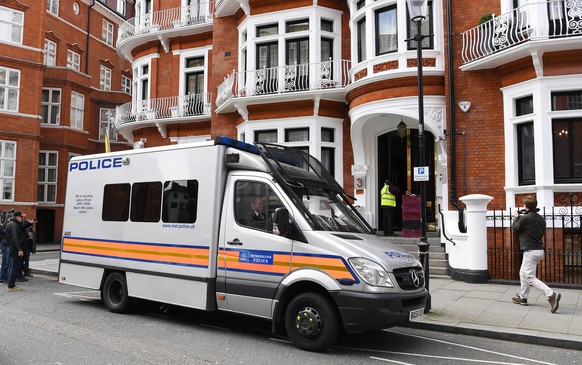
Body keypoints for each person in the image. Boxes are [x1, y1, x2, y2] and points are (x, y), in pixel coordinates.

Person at [511, 196, 561, 313]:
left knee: (530, 277)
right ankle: (523, 298)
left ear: (525, 206)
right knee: (523, 273)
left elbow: (515, 229)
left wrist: (516, 217)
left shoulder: (525, 218)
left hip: (530, 251)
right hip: (538, 250)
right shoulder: (540, 218)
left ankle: (551, 295)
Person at [4, 211, 27, 292]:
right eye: (21, 217)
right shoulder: (14, 225)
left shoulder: (10, 224)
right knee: (15, 267)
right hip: (15, 248)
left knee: (12, 266)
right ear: (17, 217)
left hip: (11, 247)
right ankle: (11, 286)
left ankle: (11, 284)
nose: (22, 218)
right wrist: (19, 249)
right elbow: (15, 238)